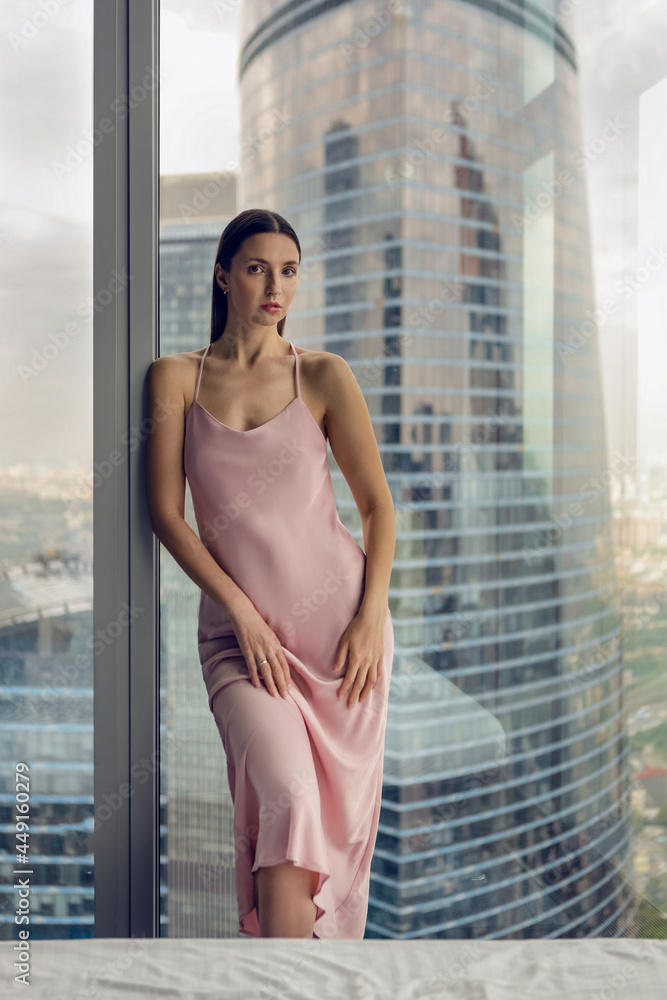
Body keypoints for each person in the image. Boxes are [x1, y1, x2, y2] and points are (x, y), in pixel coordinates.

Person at [145, 208, 395, 939]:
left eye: (288, 270)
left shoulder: (322, 375)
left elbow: (377, 509)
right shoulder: (175, 379)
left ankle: (292, 986)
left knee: (318, 838)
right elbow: (167, 515)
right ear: (223, 275)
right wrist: (240, 610)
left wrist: (371, 616)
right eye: (256, 268)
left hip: (340, 640)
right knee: (285, 794)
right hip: (239, 641)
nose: (274, 285)